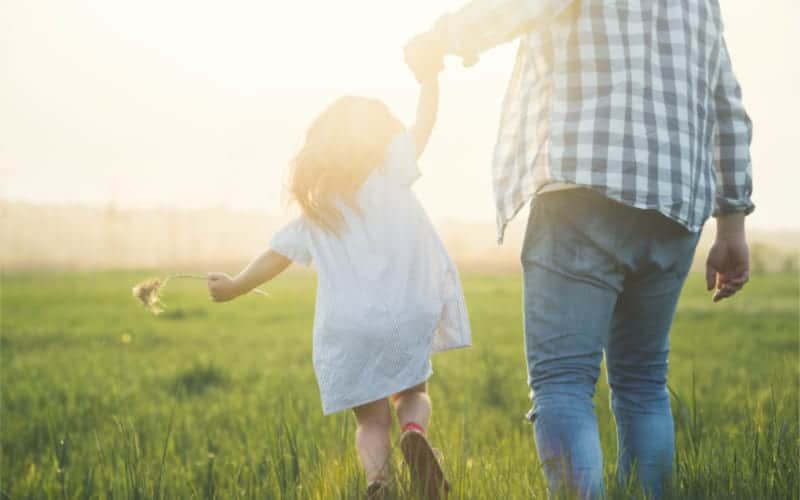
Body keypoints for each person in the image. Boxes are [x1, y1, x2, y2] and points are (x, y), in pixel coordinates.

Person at [405, 0, 753, 498]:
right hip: (677, 202)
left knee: (564, 382)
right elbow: (728, 105)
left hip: (583, 187)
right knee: (643, 383)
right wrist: (733, 224)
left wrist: (439, 38)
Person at [206, 76, 470, 500]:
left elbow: (278, 254)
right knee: (414, 391)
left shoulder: (320, 207)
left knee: (369, 420)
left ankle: (378, 483)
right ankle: (415, 433)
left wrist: (236, 285)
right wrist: (430, 76)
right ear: (381, 136)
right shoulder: (394, 171)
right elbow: (426, 121)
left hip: (350, 326)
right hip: (407, 310)